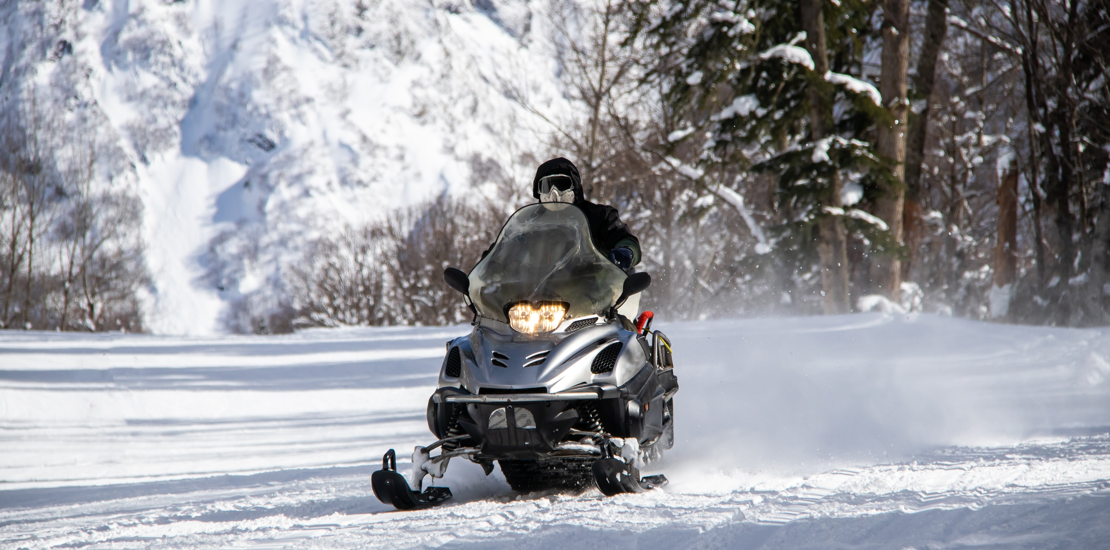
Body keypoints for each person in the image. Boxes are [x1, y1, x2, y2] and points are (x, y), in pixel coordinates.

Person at [526, 157, 641, 270]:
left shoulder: (600, 217)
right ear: (538, 191)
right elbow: (511, 255)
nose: (554, 193)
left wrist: (626, 250)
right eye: (546, 187)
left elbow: (622, 237)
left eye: (562, 185)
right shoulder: (528, 226)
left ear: (574, 186)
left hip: (597, 286)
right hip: (539, 288)